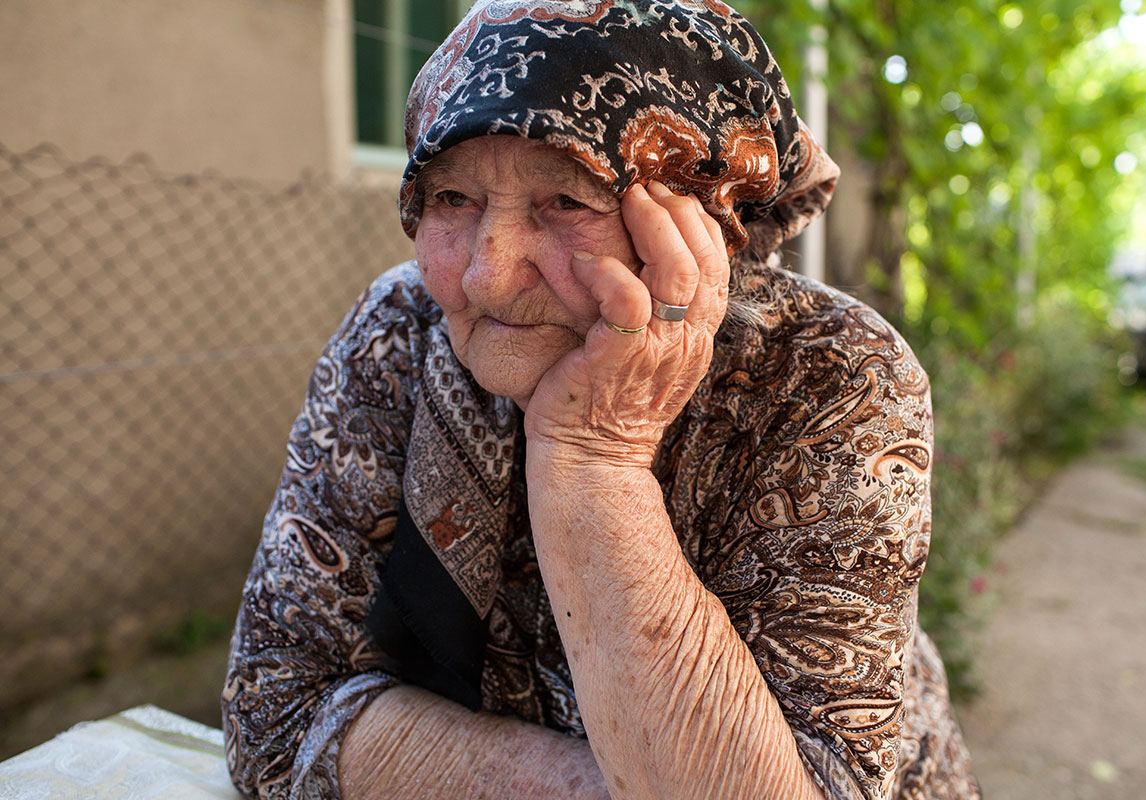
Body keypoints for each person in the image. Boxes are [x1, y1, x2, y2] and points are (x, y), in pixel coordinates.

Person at [222, 1, 980, 798]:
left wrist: (596, 457)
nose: (486, 274)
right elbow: (274, 715)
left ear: (706, 226)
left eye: (569, 202)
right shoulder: (400, 328)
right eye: (452, 199)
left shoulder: (832, 375)